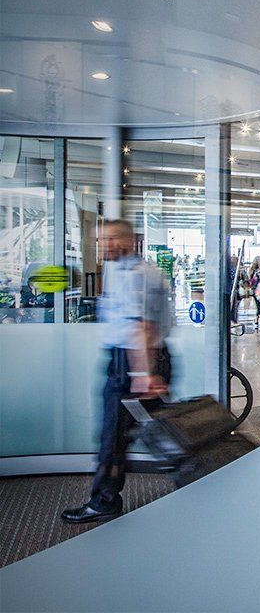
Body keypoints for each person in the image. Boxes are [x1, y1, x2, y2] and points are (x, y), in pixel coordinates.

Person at [62, 219, 170, 524]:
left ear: (124, 242)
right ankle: (203, 473)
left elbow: (141, 328)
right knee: (153, 428)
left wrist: (142, 374)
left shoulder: (136, 275)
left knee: (112, 437)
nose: (102, 246)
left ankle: (103, 501)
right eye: (100, 240)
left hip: (130, 364)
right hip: (135, 361)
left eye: (108, 240)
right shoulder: (126, 271)